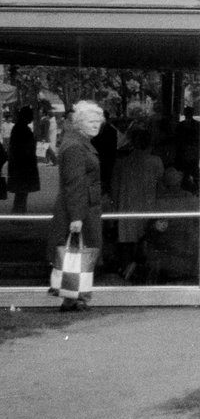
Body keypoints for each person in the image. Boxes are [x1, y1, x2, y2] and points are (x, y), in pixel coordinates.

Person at [46, 100, 106, 311]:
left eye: (98, 121)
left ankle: (74, 297)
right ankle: (71, 298)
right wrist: (77, 217)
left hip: (85, 207)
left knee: (80, 255)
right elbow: (75, 184)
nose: (96, 125)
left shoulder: (78, 142)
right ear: (79, 122)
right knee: (78, 254)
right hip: (81, 209)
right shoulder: (75, 146)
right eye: (91, 121)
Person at [111, 127, 164, 257]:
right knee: (145, 237)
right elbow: (161, 185)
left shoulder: (122, 163)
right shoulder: (156, 162)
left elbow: (114, 189)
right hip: (148, 206)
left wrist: (115, 210)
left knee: (129, 240)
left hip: (127, 208)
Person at [7, 105, 40, 214]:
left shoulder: (18, 128)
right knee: (22, 192)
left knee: (21, 193)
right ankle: (19, 214)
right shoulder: (22, 129)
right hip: (23, 167)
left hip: (20, 166)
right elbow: (24, 149)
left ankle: (19, 213)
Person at [92, 110, 119, 196]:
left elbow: (112, 147)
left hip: (106, 158)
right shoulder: (96, 129)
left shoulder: (111, 130)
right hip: (99, 158)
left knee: (106, 178)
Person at [176, 106, 200, 193]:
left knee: (194, 170)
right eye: (187, 113)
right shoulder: (180, 125)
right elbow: (178, 139)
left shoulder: (197, 125)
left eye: (189, 113)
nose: (188, 115)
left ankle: (196, 188)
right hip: (184, 152)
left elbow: (199, 138)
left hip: (193, 152)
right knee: (185, 171)